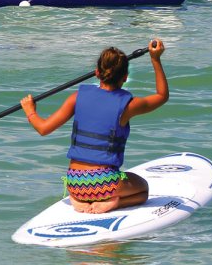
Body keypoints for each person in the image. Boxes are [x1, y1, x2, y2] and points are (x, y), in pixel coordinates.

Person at [21, 39, 168, 214]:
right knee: (143, 189)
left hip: (74, 182)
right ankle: (114, 203)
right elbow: (162, 95)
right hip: (106, 184)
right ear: (125, 77)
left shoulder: (77, 97)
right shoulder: (128, 105)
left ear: (97, 73)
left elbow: (43, 128)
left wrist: (30, 111)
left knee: (86, 182)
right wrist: (155, 59)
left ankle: (77, 200)